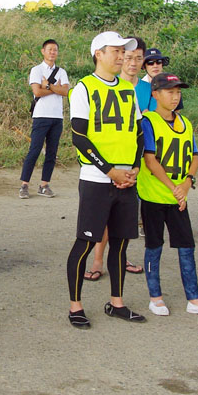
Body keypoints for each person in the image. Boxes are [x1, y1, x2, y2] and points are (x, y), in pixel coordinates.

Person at [65, 31, 144, 328]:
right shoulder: (84, 88)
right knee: (85, 244)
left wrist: (133, 168)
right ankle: (76, 306)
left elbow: (137, 132)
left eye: (125, 51)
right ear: (98, 53)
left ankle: (117, 303)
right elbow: (80, 136)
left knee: (121, 245)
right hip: (97, 178)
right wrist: (110, 170)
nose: (122, 56)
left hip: (127, 178)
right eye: (116, 50)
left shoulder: (128, 89)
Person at [138, 73, 198, 318]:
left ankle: (194, 299)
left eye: (178, 92)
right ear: (155, 94)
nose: (175, 97)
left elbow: (195, 156)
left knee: (187, 246)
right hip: (154, 195)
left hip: (178, 197)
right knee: (154, 247)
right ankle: (155, 297)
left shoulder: (184, 122)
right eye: (169, 91)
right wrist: (173, 187)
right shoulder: (148, 121)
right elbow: (150, 160)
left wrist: (186, 183)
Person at [85, 38, 148, 279]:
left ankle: (120, 258)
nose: (131, 61)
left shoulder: (145, 88)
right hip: (107, 164)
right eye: (126, 56)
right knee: (104, 216)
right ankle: (98, 259)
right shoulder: (107, 85)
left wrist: (136, 164)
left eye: (136, 57)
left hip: (135, 157)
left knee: (126, 217)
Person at [20, 39, 69, 199]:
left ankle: (44, 185)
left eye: (55, 50)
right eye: (49, 49)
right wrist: (55, 88)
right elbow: (37, 92)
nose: (52, 52)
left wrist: (47, 85)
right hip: (41, 116)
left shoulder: (61, 71)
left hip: (57, 117)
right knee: (34, 150)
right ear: (43, 51)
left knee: (52, 152)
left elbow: (66, 91)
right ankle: (24, 185)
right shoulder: (36, 70)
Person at [135, 48, 169, 113]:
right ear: (144, 66)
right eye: (150, 63)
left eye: (158, 62)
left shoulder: (171, 84)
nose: (155, 66)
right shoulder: (139, 87)